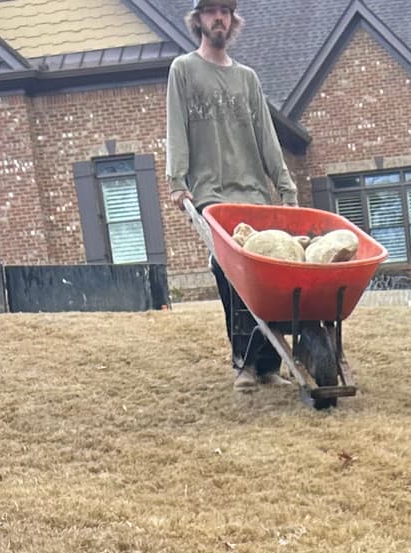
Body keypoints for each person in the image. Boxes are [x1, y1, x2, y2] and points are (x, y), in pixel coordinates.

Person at [166, 1, 299, 394]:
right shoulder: (184, 70)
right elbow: (177, 126)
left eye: (224, 10)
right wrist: (177, 181)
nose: (218, 18)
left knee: (266, 277)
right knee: (229, 274)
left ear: (232, 19)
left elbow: (267, 139)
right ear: (198, 20)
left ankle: (269, 364)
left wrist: (285, 186)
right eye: (210, 11)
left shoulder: (247, 79)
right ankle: (244, 364)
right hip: (212, 195)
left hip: (255, 195)